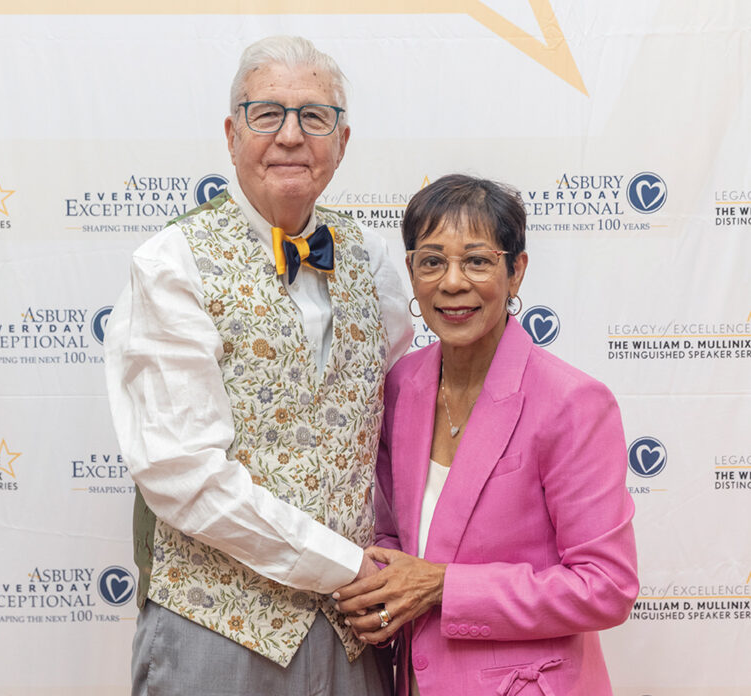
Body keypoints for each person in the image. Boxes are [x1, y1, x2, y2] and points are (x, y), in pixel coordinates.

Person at [104, 35, 411, 696]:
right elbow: (181, 473)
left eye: (314, 116)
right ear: (231, 131)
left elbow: (390, 433)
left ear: (343, 139)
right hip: (216, 628)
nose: (291, 136)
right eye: (266, 113)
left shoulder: (374, 260)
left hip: (355, 632)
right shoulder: (171, 262)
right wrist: (347, 566)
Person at [332, 174, 639, 695]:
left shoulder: (571, 402)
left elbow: (605, 587)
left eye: (476, 260)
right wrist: (380, 588)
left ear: (516, 271)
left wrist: (441, 588)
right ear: (410, 272)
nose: (452, 282)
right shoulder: (401, 385)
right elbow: (391, 533)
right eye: (432, 261)